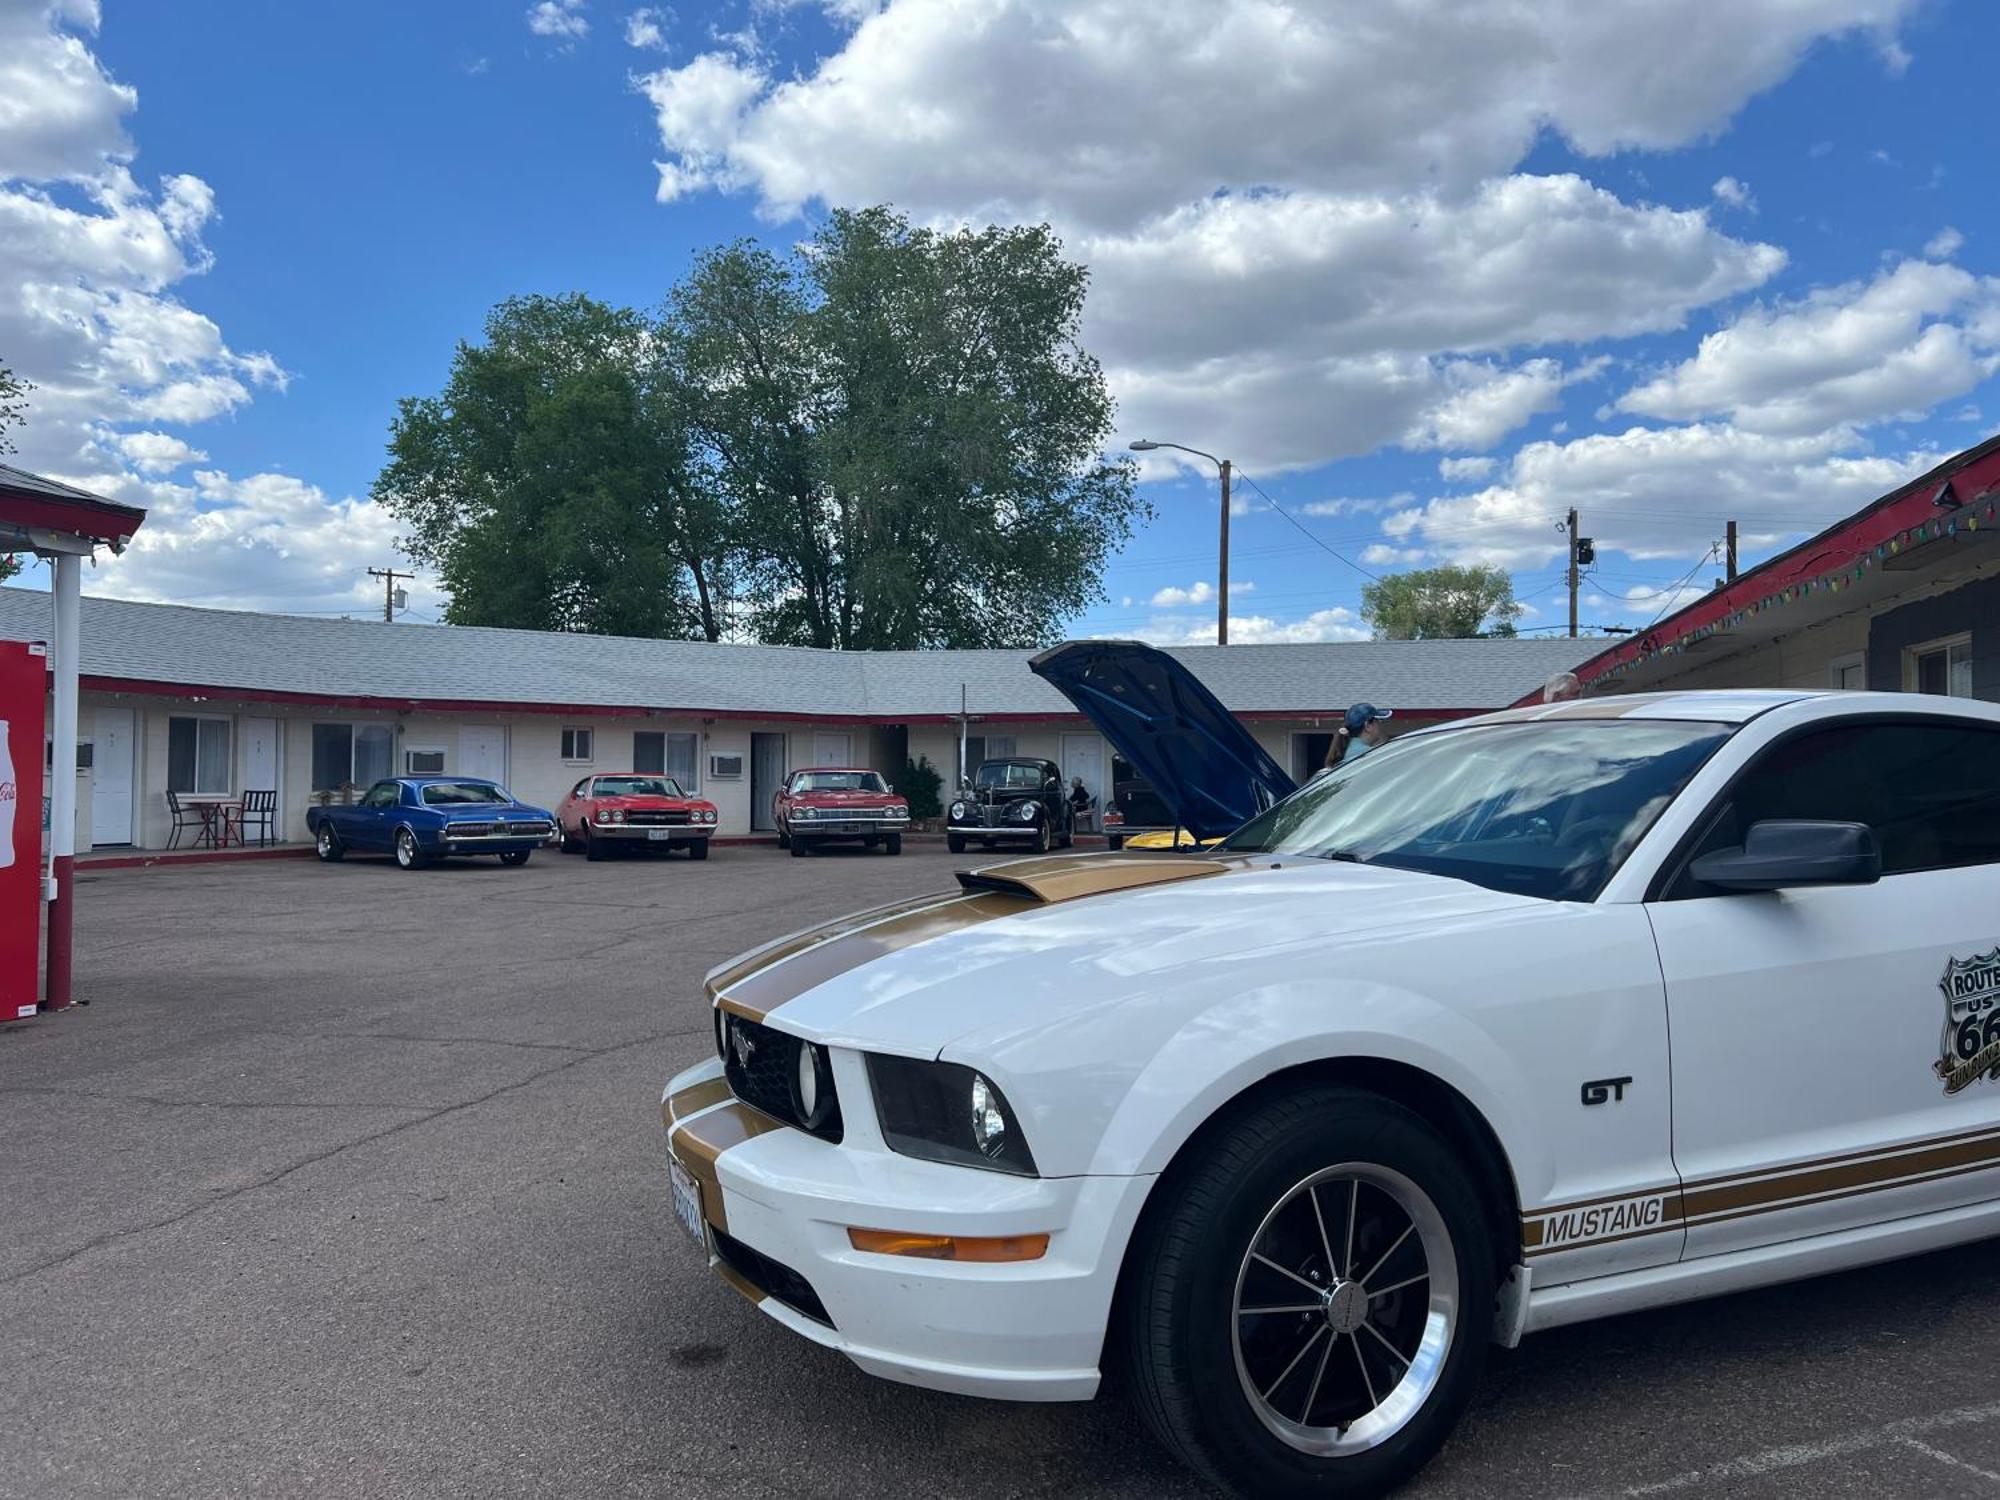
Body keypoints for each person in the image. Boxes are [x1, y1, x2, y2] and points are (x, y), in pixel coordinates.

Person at [1324, 703, 1392, 772]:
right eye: (1378, 721)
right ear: (1368, 726)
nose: (1379, 726)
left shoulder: (1347, 749)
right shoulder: (1369, 755)